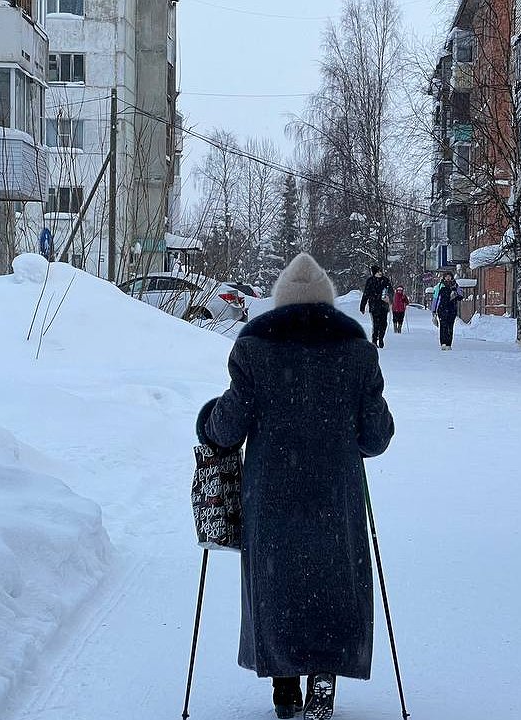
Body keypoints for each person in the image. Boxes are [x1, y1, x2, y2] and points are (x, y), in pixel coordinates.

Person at [196, 253, 395, 720]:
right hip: (335, 495)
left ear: (280, 305)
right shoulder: (357, 354)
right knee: (332, 579)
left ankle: (285, 687)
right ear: (327, 306)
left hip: (273, 493)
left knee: (278, 581)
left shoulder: (254, 352)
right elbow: (376, 437)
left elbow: (227, 429)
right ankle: (323, 678)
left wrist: (206, 419)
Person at [359, 265, 392, 348]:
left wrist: (390, 299)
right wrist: (362, 306)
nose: (380, 273)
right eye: (378, 272)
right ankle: (374, 340)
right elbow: (366, 294)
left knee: (384, 323)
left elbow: (391, 291)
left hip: (384, 306)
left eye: (381, 271)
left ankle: (381, 338)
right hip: (374, 306)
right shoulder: (370, 281)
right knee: (376, 324)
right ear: (374, 273)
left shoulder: (385, 280)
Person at [431, 272, 463, 350]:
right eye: (446, 276)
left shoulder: (455, 285)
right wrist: (434, 310)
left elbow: (461, 296)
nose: (448, 278)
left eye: (449, 276)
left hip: (452, 309)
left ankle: (449, 344)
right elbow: (435, 299)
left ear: (452, 277)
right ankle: (443, 343)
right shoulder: (439, 286)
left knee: (450, 327)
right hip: (442, 309)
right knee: (443, 326)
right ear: (444, 278)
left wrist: (456, 293)